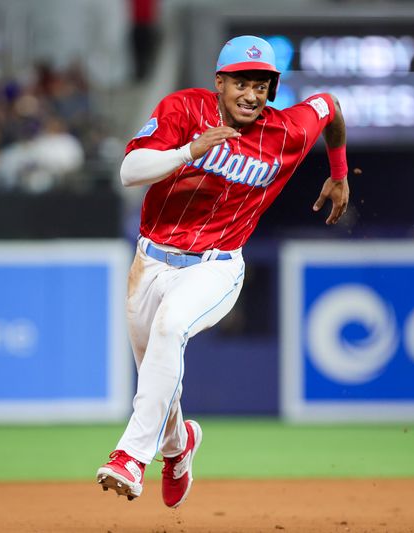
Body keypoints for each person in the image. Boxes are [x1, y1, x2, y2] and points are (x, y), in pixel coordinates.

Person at [96, 35, 349, 508]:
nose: (251, 94)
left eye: (261, 83)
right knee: (159, 378)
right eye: (241, 82)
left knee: (171, 329)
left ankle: (129, 456)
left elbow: (330, 106)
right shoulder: (185, 109)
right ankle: (178, 447)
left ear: (272, 88)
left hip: (216, 266)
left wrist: (338, 172)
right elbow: (130, 171)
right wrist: (190, 151)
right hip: (149, 262)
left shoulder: (289, 129)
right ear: (220, 82)